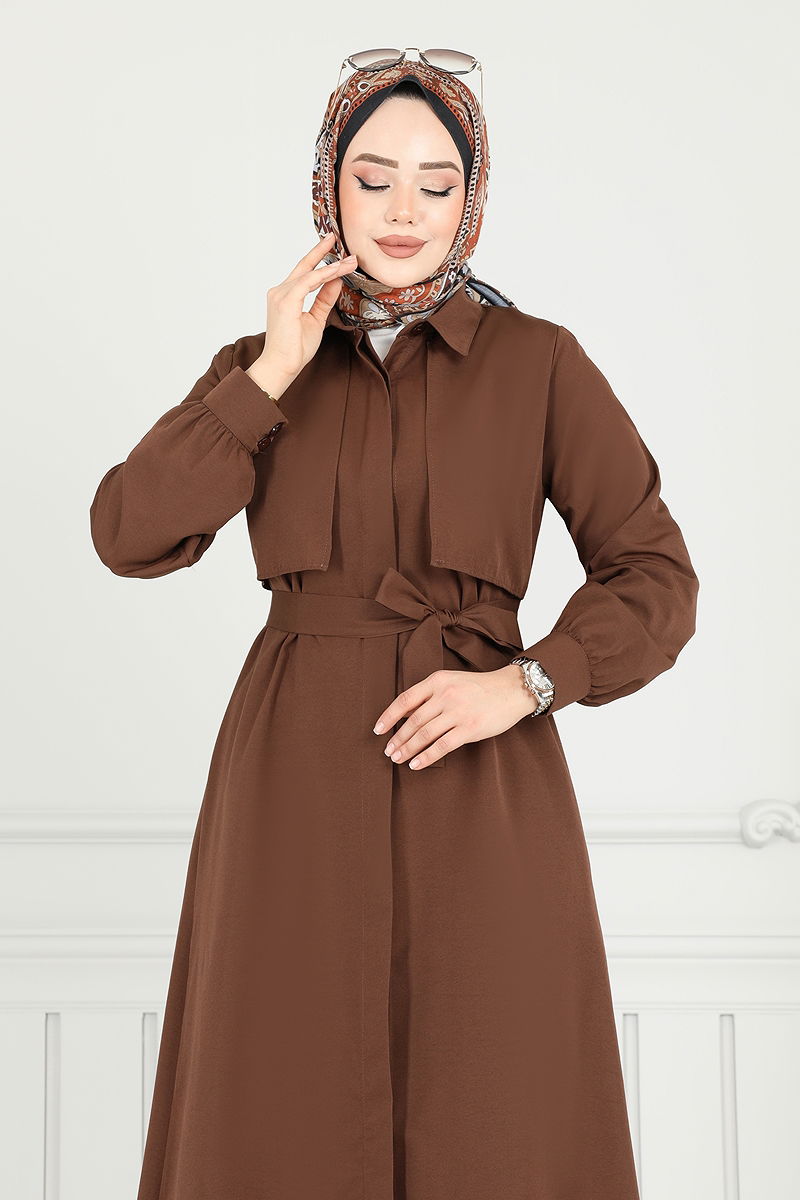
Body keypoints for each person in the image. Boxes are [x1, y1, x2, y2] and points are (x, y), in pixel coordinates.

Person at [89, 50, 698, 1200]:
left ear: (473, 197)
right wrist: (269, 374)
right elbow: (128, 532)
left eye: (435, 182)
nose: (404, 210)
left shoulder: (539, 363)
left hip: (484, 779)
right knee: (276, 1092)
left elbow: (655, 575)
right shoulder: (256, 370)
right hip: (291, 779)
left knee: (496, 1099)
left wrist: (526, 682)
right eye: (373, 179)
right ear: (329, 188)